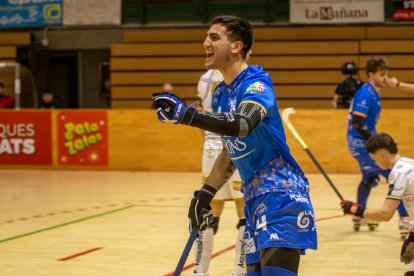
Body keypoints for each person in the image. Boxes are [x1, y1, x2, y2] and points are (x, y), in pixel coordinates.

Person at [152, 15, 317, 276]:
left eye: (214, 37)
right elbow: (231, 147)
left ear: (236, 46)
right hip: (254, 198)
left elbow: (242, 124)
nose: (205, 42)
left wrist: (187, 116)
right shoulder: (221, 94)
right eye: (206, 37)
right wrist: (206, 193)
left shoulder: (256, 83)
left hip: (280, 195)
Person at [347, 56, 412, 236]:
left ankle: (359, 214)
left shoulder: (374, 91)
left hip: (362, 141)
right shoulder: (366, 93)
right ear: (371, 75)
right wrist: (376, 142)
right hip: (359, 143)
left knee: (369, 177)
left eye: (386, 74)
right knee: (391, 173)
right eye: (382, 74)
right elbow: (357, 124)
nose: (385, 78)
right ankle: (405, 218)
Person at [194, 68, 246, 276]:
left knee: (209, 213)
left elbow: (200, 115)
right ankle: (239, 272)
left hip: (211, 148)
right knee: (244, 213)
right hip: (237, 149)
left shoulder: (205, 79)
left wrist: (210, 138)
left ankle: (200, 271)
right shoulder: (242, 75)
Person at [341, 133, 414, 276]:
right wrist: (412, 235)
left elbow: (385, 214)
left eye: (374, 158)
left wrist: (357, 210)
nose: (375, 163)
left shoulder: (399, 173)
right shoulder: (409, 163)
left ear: (382, 154)